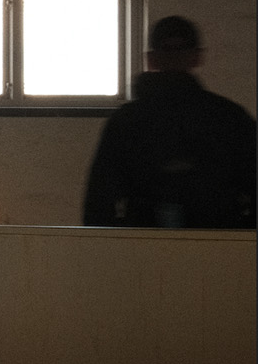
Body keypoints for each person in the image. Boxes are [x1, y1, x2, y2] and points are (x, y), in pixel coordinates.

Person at [82, 15, 256, 229]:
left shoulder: (128, 120)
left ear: (151, 59)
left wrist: (109, 242)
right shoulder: (228, 117)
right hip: (216, 238)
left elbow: (99, 199)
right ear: (197, 57)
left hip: (145, 239)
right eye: (169, 50)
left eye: (179, 50)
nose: (174, 57)